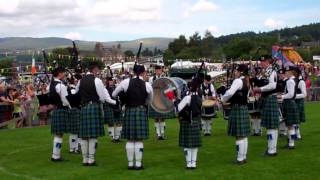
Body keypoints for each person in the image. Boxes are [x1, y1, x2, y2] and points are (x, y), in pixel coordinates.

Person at [112, 64, 153, 170]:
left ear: (133, 72)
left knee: (130, 140)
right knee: (139, 139)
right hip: (141, 110)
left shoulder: (125, 82)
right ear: (143, 73)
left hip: (129, 110)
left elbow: (113, 94)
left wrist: (124, 98)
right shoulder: (147, 85)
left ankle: (130, 164)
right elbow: (150, 100)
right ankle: (138, 164)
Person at [78, 62, 116, 166]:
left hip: (84, 108)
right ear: (94, 69)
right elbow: (102, 97)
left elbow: (76, 92)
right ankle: (91, 159)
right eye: (98, 70)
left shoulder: (81, 80)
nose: (98, 72)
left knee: (84, 135)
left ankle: (84, 159)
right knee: (93, 135)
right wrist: (108, 102)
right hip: (93, 107)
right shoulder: (97, 80)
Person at [221, 64, 250, 165]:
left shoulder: (238, 81)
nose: (234, 72)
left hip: (237, 108)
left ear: (241, 72)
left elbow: (230, 93)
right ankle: (243, 156)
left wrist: (222, 99)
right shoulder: (247, 81)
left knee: (239, 135)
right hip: (243, 108)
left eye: (236, 71)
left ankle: (239, 159)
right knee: (244, 135)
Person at [253, 56, 279, 157]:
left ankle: (272, 150)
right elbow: (264, 82)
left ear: (268, 61)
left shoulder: (272, 71)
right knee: (270, 126)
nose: (261, 63)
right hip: (267, 99)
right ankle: (271, 149)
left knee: (271, 126)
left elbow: (273, 85)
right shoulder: (266, 72)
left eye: (263, 61)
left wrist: (260, 89)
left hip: (270, 99)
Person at [177, 78, 202, 169]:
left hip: (187, 122)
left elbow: (178, 108)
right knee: (194, 145)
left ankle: (188, 163)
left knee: (187, 144)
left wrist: (174, 100)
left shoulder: (188, 98)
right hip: (196, 122)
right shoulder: (199, 98)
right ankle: (193, 163)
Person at [49, 67, 71, 162]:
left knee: (58, 134)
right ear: (59, 74)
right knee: (59, 134)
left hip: (56, 109)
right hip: (62, 109)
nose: (65, 74)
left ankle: (55, 155)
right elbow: (66, 100)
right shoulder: (61, 85)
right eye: (63, 73)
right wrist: (71, 107)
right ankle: (56, 156)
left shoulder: (51, 84)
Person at [278, 66, 300, 149]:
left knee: (290, 125)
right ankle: (291, 142)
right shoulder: (293, 80)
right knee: (290, 125)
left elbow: (290, 94)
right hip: (291, 103)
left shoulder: (290, 81)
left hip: (289, 103)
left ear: (291, 72)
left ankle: (291, 144)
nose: (285, 73)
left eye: (287, 72)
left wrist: (282, 96)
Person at [149, 65, 169, 140]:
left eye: (159, 70)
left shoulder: (165, 78)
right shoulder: (151, 79)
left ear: (161, 71)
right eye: (157, 70)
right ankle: (158, 134)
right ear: (155, 71)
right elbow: (150, 89)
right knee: (156, 118)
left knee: (163, 118)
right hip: (154, 99)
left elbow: (167, 87)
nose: (158, 72)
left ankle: (162, 133)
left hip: (163, 99)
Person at [66, 74, 82, 154]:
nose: (77, 82)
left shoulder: (72, 90)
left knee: (75, 131)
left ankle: (74, 148)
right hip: (75, 110)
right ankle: (74, 148)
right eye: (76, 80)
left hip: (73, 110)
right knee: (75, 131)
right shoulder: (73, 90)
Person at [104, 77, 122, 143]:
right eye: (110, 81)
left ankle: (117, 138)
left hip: (117, 106)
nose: (111, 82)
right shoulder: (105, 89)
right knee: (110, 123)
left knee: (119, 122)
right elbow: (107, 99)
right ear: (107, 82)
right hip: (109, 106)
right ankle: (112, 138)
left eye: (112, 81)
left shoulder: (116, 87)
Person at [294, 69, 307, 140]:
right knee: (294, 119)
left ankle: (298, 135)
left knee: (296, 119)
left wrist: (294, 96)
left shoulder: (301, 82)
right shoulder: (293, 80)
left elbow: (304, 94)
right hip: (293, 101)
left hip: (299, 101)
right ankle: (296, 134)